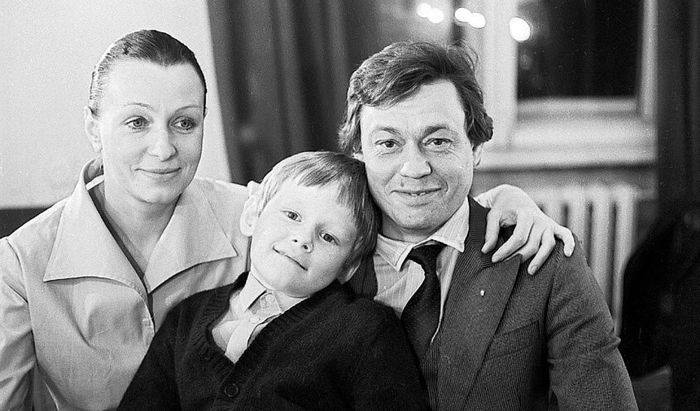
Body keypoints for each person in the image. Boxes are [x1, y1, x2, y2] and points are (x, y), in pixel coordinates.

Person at [0, 29, 571, 410]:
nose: (163, 148)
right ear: (93, 126)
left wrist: (502, 202)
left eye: (185, 122)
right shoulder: (19, 265)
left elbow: (380, 196)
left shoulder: (254, 213)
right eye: (135, 122)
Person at [339, 41, 638, 410]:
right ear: (359, 153)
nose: (414, 168)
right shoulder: (324, 259)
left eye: (438, 141)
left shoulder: (545, 260)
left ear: (476, 147)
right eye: (388, 143)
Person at [118, 151, 429, 410]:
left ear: (348, 267)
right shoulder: (186, 318)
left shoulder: (365, 328)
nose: (302, 239)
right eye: (292, 215)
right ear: (252, 216)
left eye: (328, 237)